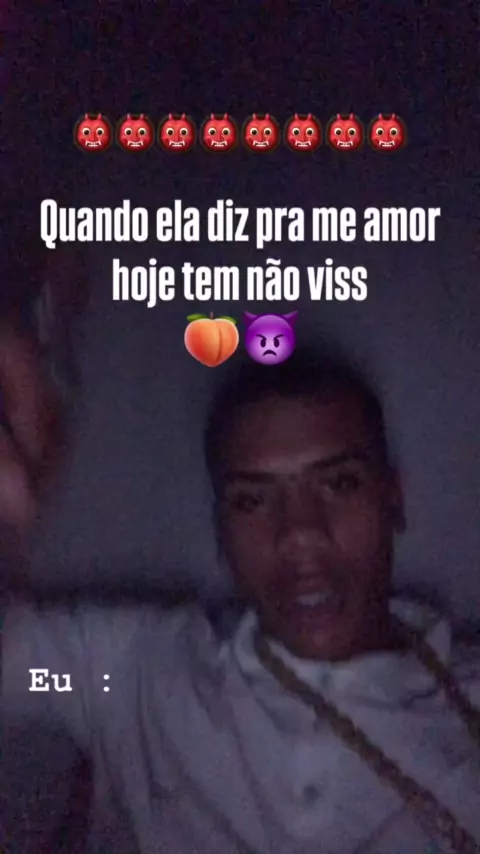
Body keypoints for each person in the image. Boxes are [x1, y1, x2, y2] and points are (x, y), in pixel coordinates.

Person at [2, 320, 480, 854]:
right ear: (221, 532)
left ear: (394, 499)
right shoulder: (126, 678)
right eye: (252, 500)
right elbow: (32, 675)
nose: (299, 532)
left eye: (339, 483)